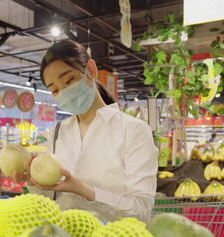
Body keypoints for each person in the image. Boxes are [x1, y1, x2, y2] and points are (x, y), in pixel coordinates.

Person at [19, 40, 158, 222]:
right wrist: (34, 183)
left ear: (90, 70)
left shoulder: (133, 131)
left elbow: (142, 211)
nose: (64, 92)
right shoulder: (57, 133)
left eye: (69, 80)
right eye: (55, 90)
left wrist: (85, 191)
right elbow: (51, 200)